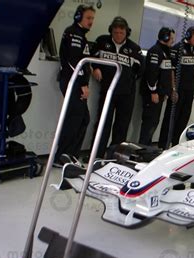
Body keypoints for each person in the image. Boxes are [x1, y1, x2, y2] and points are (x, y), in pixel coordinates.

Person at [91, 16, 143, 158]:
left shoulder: (134, 49)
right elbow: (91, 58)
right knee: (103, 123)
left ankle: (114, 156)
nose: (118, 35)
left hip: (126, 94)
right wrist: (95, 68)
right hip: (107, 91)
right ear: (111, 32)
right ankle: (96, 154)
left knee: (121, 126)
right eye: (115, 33)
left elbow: (140, 70)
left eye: (121, 33)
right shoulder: (101, 42)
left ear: (127, 32)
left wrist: (129, 79)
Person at [55, 4, 95, 166]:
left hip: (75, 82)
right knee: (75, 118)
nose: (91, 21)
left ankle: (70, 155)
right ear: (78, 17)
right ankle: (61, 157)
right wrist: (83, 84)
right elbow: (73, 63)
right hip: (73, 83)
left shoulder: (80, 35)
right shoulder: (74, 34)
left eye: (92, 18)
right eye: (88, 18)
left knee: (83, 118)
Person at [158, 26, 194, 149]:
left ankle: (175, 145)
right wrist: (173, 89)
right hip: (178, 90)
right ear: (188, 36)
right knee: (171, 119)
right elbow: (171, 70)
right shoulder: (177, 49)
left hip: (189, 91)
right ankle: (162, 146)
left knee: (183, 119)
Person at [139, 27, 177, 146]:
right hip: (152, 94)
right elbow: (152, 73)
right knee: (149, 122)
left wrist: (169, 90)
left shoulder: (166, 52)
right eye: (171, 38)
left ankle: (147, 148)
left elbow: (168, 71)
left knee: (154, 122)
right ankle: (142, 148)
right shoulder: (155, 51)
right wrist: (153, 92)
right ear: (165, 38)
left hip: (160, 94)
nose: (172, 41)